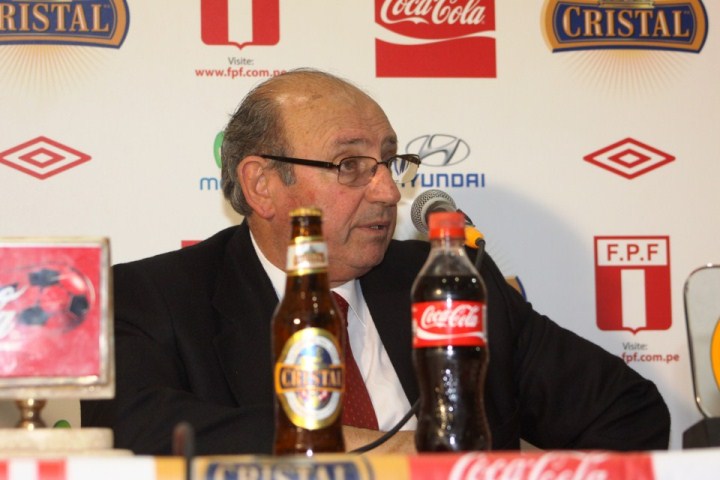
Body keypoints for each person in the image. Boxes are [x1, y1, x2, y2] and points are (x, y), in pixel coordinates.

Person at [81, 68, 671, 454]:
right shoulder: (151, 298)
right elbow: (126, 427)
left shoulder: (449, 282)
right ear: (262, 185)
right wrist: (377, 452)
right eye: (350, 165)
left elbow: (629, 413)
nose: (389, 192)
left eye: (391, 161)